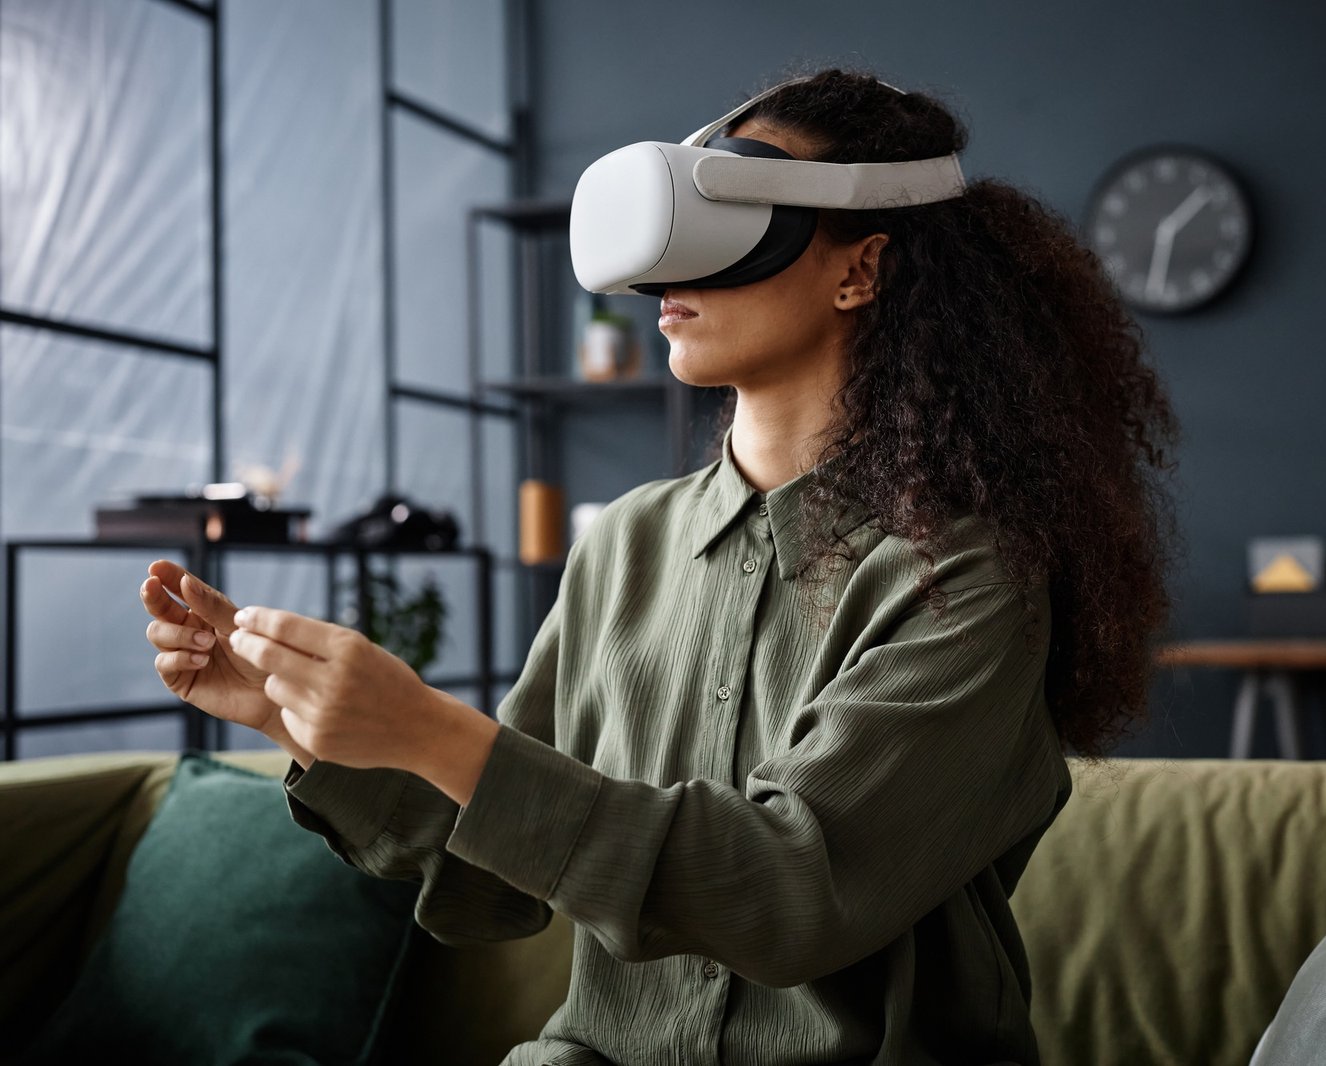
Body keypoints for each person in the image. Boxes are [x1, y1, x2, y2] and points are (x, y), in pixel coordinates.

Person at [139, 67, 1179, 1066]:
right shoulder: (626, 544)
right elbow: (496, 875)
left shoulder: (963, 573)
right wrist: (302, 719)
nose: (666, 276)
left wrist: (427, 726)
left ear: (860, 268)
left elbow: (790, 895)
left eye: (731, 226)